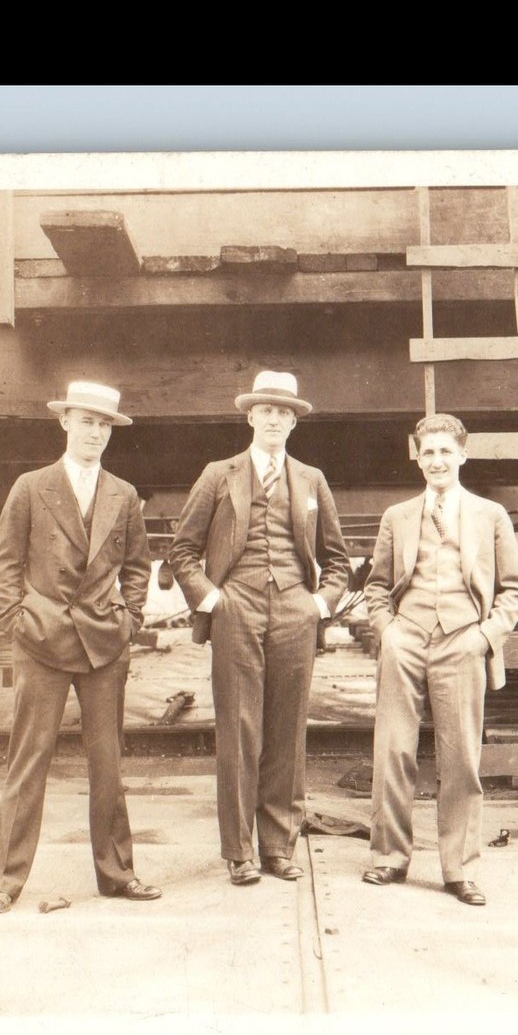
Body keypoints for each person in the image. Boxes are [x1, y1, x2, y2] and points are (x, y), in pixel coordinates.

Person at [0, 380, 160, 912]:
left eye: (104, 424)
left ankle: (117, 873)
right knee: (28, 760)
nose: (96, 432)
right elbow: (5, 563)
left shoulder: (123, 494)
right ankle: (5, 882)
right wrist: (17, 618)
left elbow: (137, 566)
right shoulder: (31, 486)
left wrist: (128, 618)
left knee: (108, 764)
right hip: (41, 639)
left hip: (103, 643)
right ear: (65, 423)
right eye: (87, 421)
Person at [169, 371, 350, 886]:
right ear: (250, 416)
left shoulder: (311, 479)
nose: (274, 419)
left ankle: (278, 847)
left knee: (288, 732)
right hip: (236, 607)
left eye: (284, 412)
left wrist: (319, 604)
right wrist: (212, 599)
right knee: (238, 729)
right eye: (265, 410)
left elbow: (337, 559)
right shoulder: (217, 474)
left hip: (296, 609)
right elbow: (182, 550)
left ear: (294, 422)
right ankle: (240, 851)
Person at [363, 413, 518, 906]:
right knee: (393, 749)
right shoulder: (396, 515)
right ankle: (389, 857)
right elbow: (375, 586)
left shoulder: (490, 515)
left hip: (462, 639)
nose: (436, 461)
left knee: (461, 758)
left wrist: (483, 636)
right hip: (406, 638)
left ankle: (459, 868)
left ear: (463, 454)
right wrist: (387, 631)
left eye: (444, 451)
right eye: (427, 452)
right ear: (416, 456)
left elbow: (514, 590)